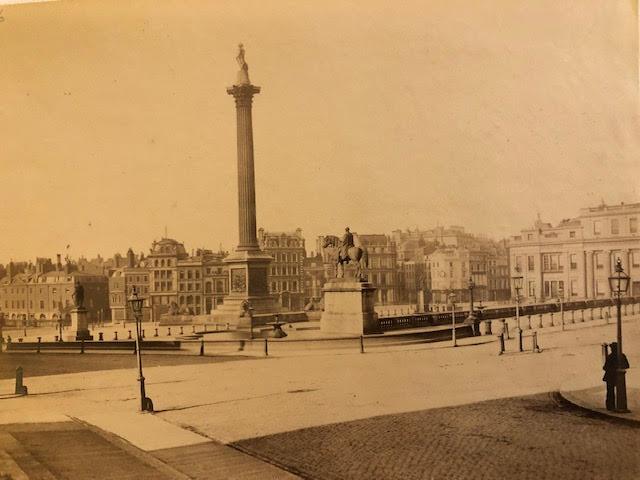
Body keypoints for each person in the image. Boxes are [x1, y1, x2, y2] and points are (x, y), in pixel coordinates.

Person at [603, 342, 630, 411]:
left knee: (610, 392)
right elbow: (627, 365)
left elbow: (605, 367)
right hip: (619, 377)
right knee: (618, 392)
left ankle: (610, 406)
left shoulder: (610, 356)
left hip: (610, 376)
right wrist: (619, 367)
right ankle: (618, 405)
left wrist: (612, 369)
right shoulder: (622, 355)